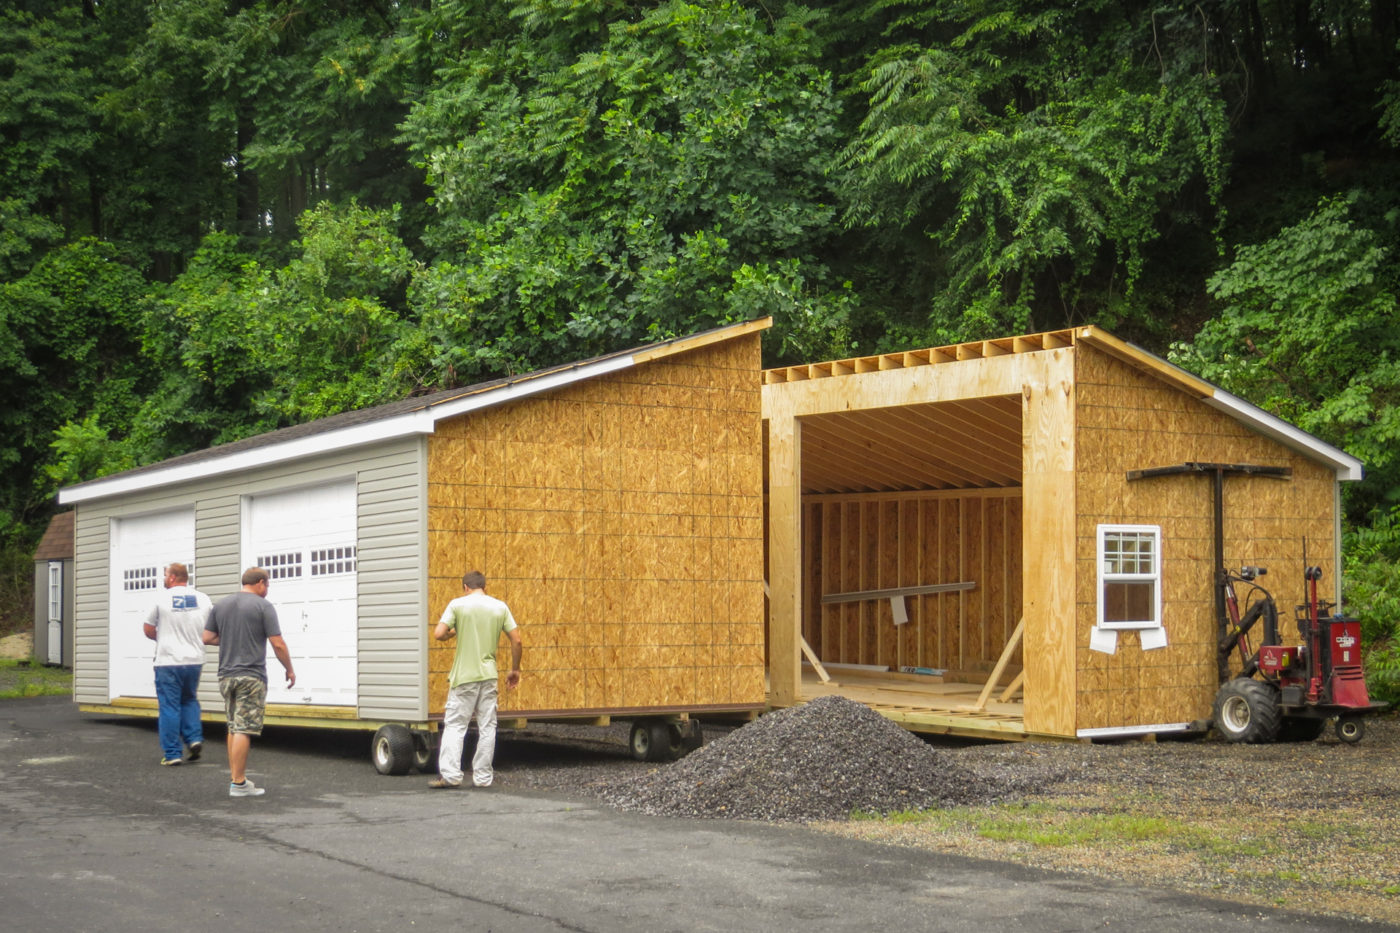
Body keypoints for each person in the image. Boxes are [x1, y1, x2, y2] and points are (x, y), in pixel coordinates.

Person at [202, 567, 295, 797]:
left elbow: (207, 637)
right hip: (251, 676)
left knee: (233, 725)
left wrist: (233, 638)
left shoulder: (221, 605)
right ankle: (238, 783)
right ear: (261, 583)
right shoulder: (263, 607)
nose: (267, 590)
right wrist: (289, 669)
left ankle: (237, 779)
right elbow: (278, 644)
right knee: (244, 728)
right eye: (268, 585)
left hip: (226, 675)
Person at [429, 570, 522, 789]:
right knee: (488, 726)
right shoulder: (500, 607)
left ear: (465, 588)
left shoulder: (457, 605)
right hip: (489, 676)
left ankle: (451, 776)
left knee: (455, 725)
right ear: (484, 587)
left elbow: (439, 633)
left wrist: (452, 633)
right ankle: (482, 778)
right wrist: (515, 669)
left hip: (464, 677)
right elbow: (516, 640)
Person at [144, 562, 212, 766]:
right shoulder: (203, 598)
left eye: (165, 575)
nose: (164, 578)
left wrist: (164, 638)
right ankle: (194, 739)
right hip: (194, 660)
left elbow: (148, 629)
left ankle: (173, 753)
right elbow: (211, 627)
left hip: (168, 661)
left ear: (172, 577)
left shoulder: (160, 599)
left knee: (169, 706)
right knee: (189, 699)